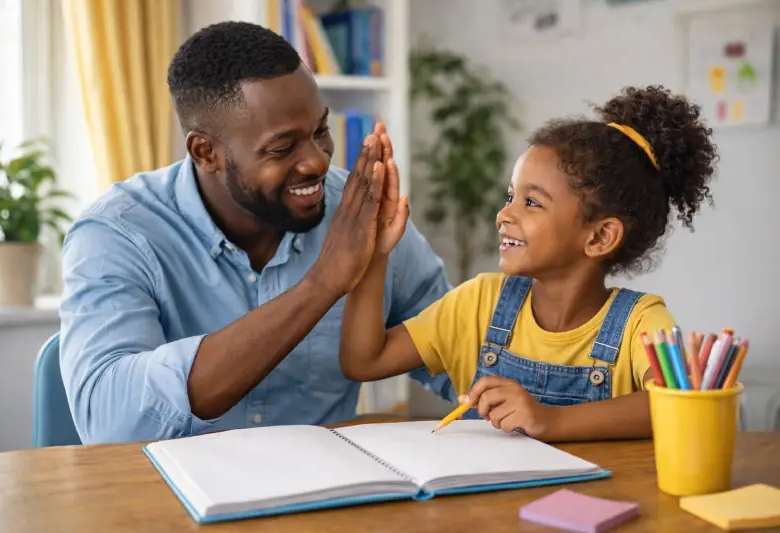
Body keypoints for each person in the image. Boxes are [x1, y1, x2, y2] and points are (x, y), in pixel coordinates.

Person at [59, 21, 453, 444]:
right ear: (205, 152)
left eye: (320, 131)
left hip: (330, 493)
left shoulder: (359, 211)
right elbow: (109, 424)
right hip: (171, 499)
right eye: (282, 148)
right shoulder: (117, 233)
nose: (317, 162)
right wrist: (323, 283)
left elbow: (455, 349)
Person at [339, 85, 718, 442]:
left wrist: (552, 420)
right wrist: (377, 254)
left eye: (532, 202)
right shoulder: (478, 303)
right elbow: (363, 361)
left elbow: (676, 403)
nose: (504, 214)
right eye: (510, 195)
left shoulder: (641, 322)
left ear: (600, 237)